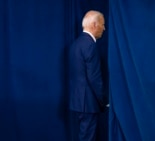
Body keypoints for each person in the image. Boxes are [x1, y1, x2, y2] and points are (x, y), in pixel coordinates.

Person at [68, 10, 107, 141]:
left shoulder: (75, 44)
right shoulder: (90, 45)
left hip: (77, 102)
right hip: (88, 103)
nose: (104, 28)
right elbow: (94, 78)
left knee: (83, 136)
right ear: (95, 24)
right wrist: (103, 101)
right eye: (102, 24)